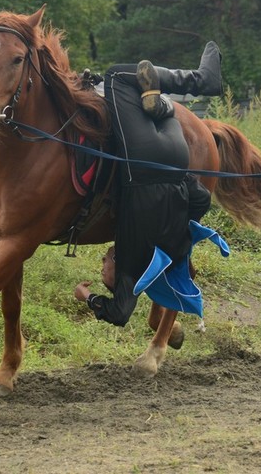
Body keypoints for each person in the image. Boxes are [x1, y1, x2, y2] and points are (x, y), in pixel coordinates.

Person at [73, 42, 226, 326]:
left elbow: (202, 199)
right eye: (104, 269)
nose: (102, 263)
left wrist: (183, 184)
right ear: (117, 270)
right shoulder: (129, 262)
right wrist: (87, 296)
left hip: (176, 154)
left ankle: (162, 105)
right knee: (118, 76)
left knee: (160, 110)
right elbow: (115, 312)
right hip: (144, 162)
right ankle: (203, 81)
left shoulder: (173, 247)